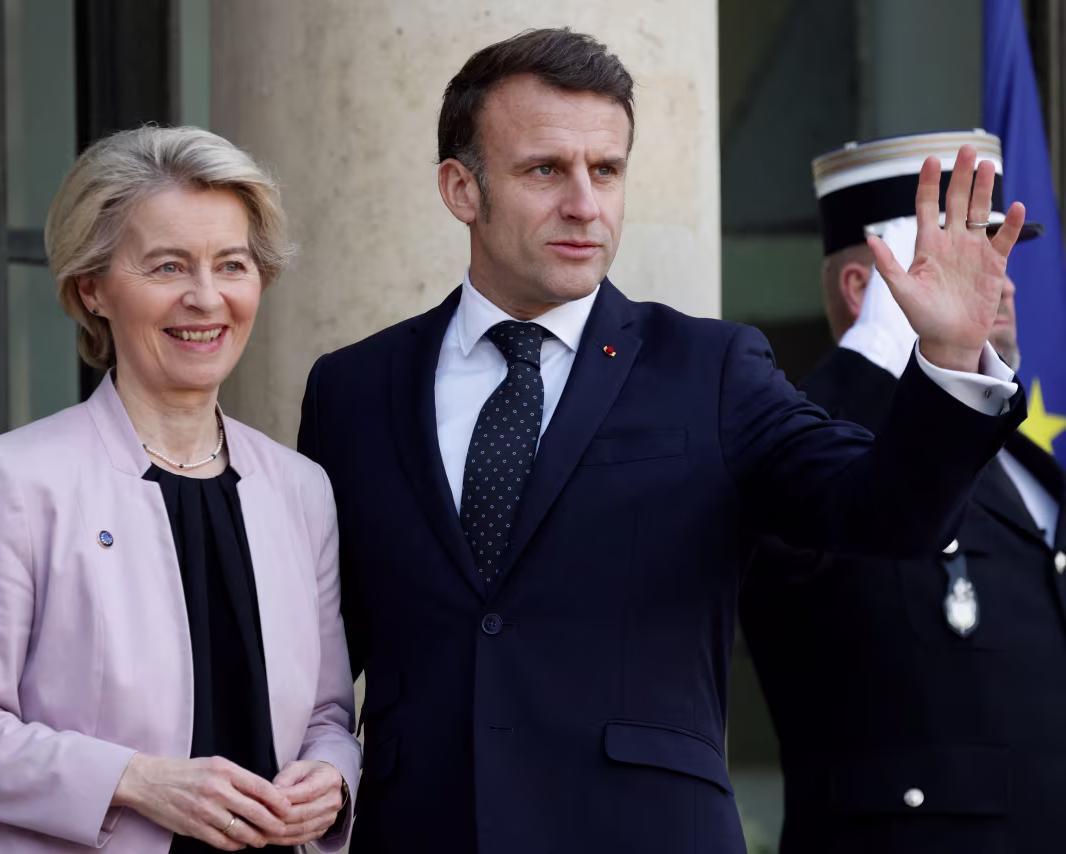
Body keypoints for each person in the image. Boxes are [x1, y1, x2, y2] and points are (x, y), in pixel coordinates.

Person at [298, 29, 1028, 853]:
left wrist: (950, 361)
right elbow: (309, 653)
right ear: (461, 188)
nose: (585, 204)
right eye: (545, 170)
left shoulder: (711, 368)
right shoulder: (352, 390)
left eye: (606, 170)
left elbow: (885, 515)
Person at [0, 126, 359, 854]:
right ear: (93, 288)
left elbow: (328, 716)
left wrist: (332, 780)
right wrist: (135, 780)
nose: (205, 298)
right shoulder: (14, 479)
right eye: (168, 266)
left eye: (231, 265)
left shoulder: (301, 489)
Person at [740, 130, 1064, 853]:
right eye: (967, 253)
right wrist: (881, 355)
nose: (1004, 281)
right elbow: (833, 495)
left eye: (1003, 252)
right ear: (863, 288)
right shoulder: (803, 436)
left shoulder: (1023, 459)